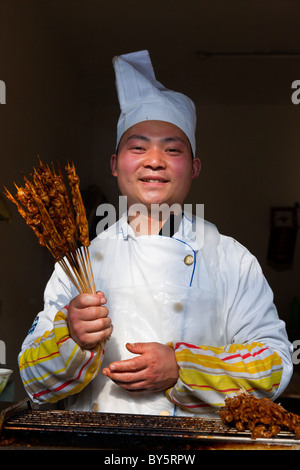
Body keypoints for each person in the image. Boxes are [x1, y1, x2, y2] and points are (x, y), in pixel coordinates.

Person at [18, 50, 293, 417]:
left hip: (197, 448)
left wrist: (183, 367)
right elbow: (33, 383)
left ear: (194, 168)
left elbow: (276, 364)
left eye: (173, 149)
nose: (154, 160)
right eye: (138, 146)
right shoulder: (82, 261)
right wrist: (73, 339)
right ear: (115, 166)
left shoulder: (230, 259)